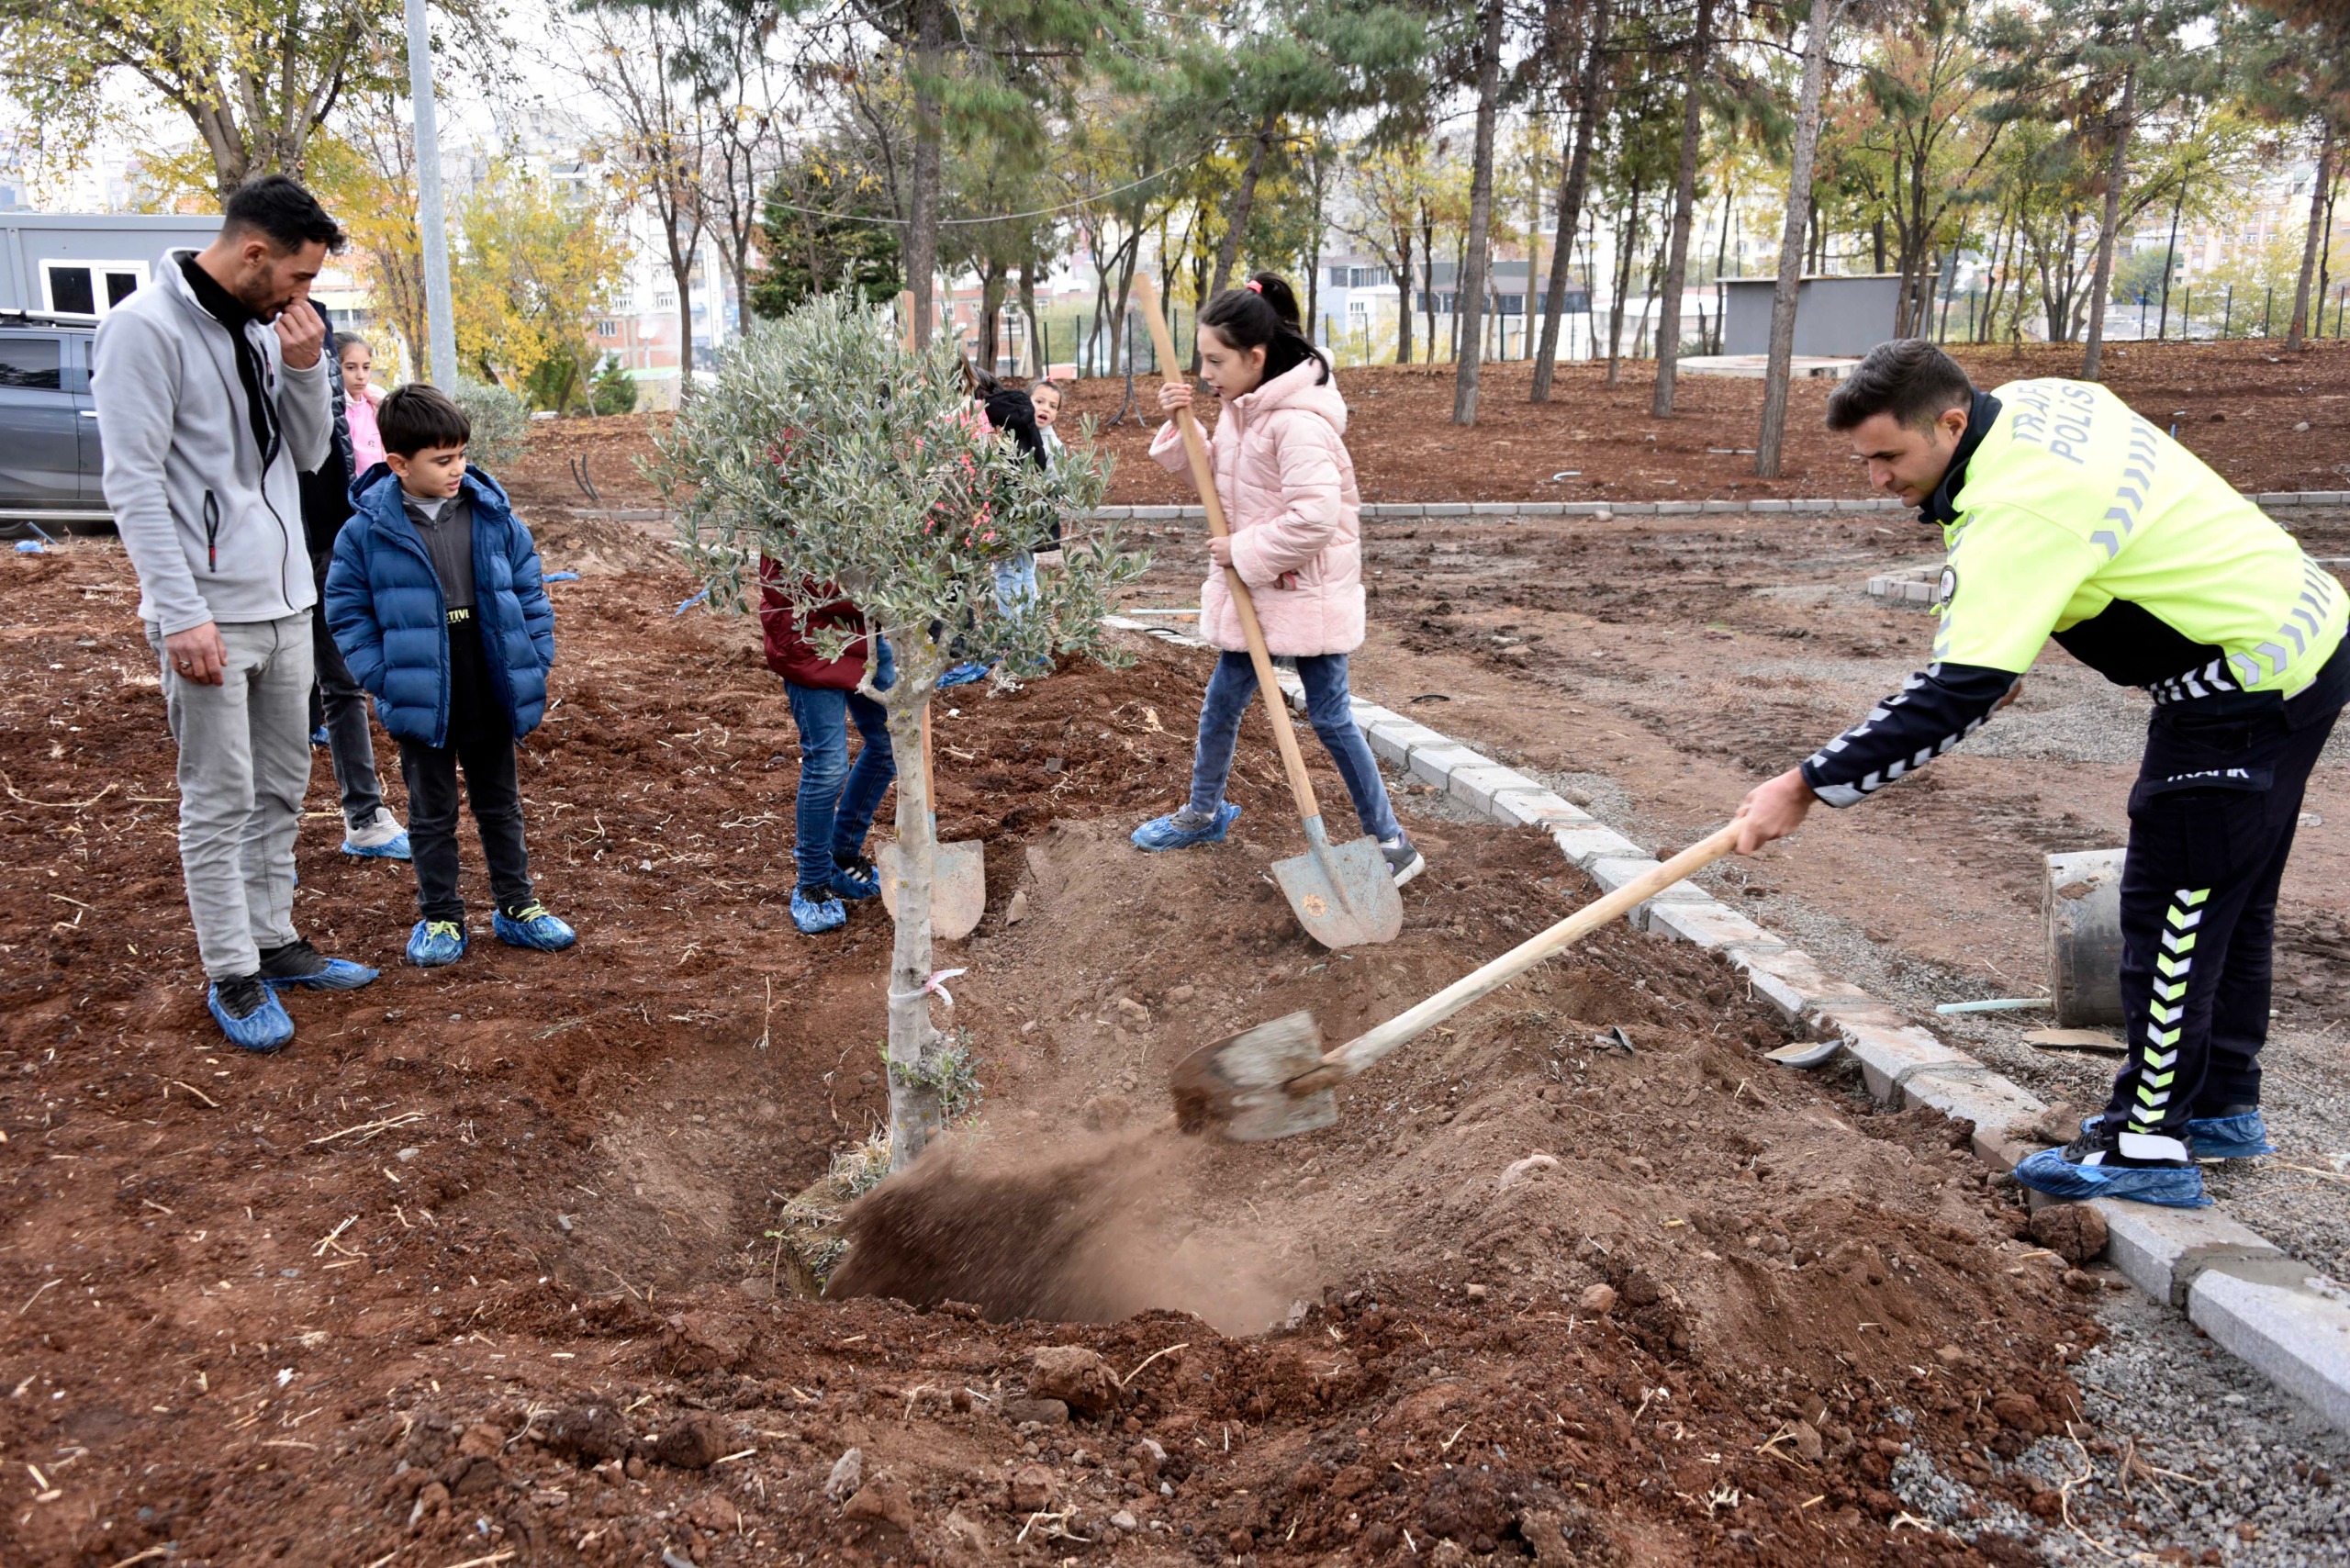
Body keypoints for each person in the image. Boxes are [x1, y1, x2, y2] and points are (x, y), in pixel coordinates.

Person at [1730, 339, 2347, 1208]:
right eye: (1865, 458)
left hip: (2236, 687)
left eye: (1888, 456)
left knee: (2173, 904)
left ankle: (2147, 1147)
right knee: (2228, 897)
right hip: (2305, 635)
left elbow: (1957, 693)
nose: (1874, 478)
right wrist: (2009, 638)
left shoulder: (2015, 510)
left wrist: (1804, 785)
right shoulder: (2040, 403)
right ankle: (2218, 1107)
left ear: (1950, 422)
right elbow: (2087, 552)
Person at [94, 174, 380, 1053]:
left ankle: (275, 937)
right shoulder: (142, 331)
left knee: (280, 788)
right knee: (217, 799)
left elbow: (302, 454)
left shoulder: (266, 332)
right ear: (253, 254)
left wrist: (304, 369)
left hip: (287, 599)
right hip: (208, 612)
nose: (306, 299)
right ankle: (233, 970)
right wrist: (179, 613)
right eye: (299, 279)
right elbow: (132, 485)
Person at [1131, 274, 1422, 887]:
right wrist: (1185, 427)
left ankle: (1392, 841)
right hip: (1259, 592)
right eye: (1202, 360)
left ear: (1255, 357)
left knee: (1331, 717)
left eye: (1215, 360)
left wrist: (1243, 551)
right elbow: (1218, 485)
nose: (1205, 371)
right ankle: (1204, 810)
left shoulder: (1298, 422)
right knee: (1221, 706)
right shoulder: (1243, 408)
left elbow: (1315, 518)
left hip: (1305, 595)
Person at [325, 384, 576, 967]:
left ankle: (517, 907)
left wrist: (533, 658)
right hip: (419, 685)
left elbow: (530, 590)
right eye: (442, 460)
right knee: (431, 811)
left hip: (488, 673)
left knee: (500, 802)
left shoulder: (493, 515)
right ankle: (440, 917)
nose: (458, 468)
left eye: (462, 454)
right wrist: (383, 676)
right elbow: (346, 611)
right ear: (397, 464)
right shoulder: (364, 533)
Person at [297, 312, 408, 859]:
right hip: (299, 558)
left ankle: (365, 815)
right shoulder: (301, 407)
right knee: (326, 686)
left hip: (340, 554)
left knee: (343, 683)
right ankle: (356, 817)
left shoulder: (367, 410)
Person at [760, 562, 896, 935]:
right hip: (808, 642)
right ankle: (813, 883)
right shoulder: (790, 515)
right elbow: (798, 586)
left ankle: (842, 854)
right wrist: (891, 598)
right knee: (828, 765)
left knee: (891, 745)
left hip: (865, 635)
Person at [337, 332, 387, 474]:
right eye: (351, 368)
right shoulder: (334, 411)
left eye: (366, 367)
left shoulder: (380, 405)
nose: (361, 376)